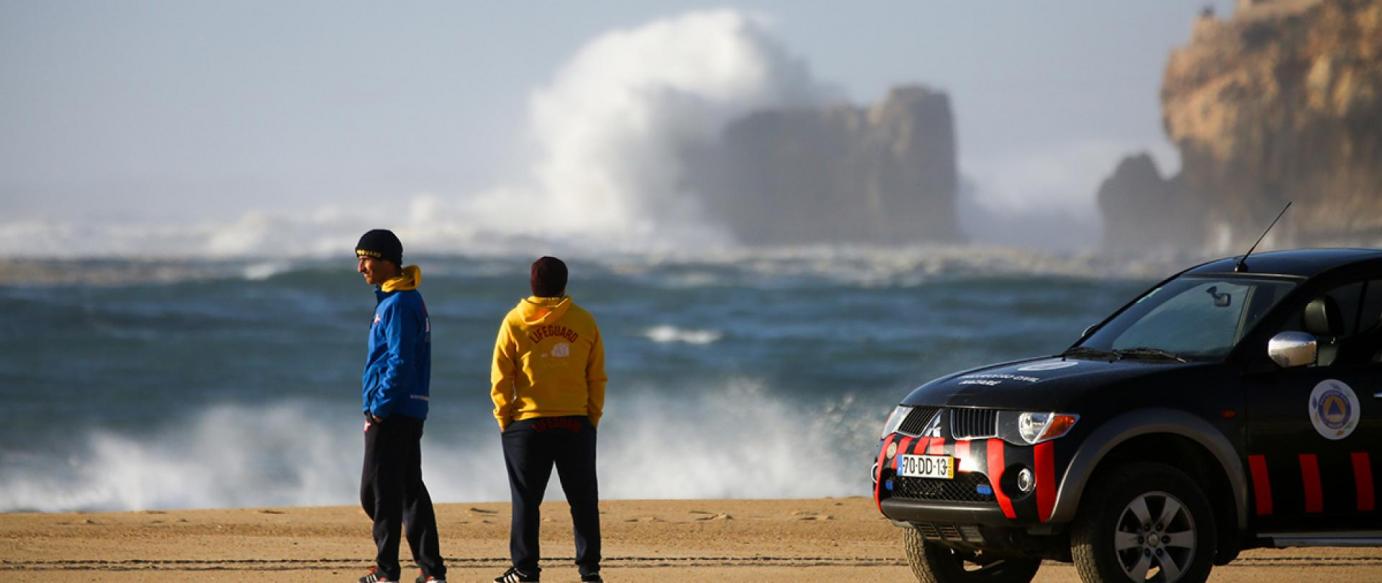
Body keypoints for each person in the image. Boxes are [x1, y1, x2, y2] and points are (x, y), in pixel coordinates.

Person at [491, 256, 606, 583]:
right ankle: (589, 570)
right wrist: (592, 415)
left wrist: (504, 417)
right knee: (583, 500)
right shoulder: (584, 321)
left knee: (526, 501)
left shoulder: (514, 321)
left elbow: (501, 377)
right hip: (575, 421)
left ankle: (525, 570)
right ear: (564, 284)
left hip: (528, 423)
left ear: (532, 284)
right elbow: (596, 376)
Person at [354, 229, 447, 583]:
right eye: (359, 259)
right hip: (404, 409)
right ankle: (431, 570)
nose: (361, 267)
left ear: (386, 261)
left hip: (393, 411)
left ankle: (387, 570)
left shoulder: (399, 303)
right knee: (407, 490)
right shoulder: (398, 299)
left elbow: (400, 361)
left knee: (377, 492)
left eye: (366, 259)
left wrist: (379, 407)